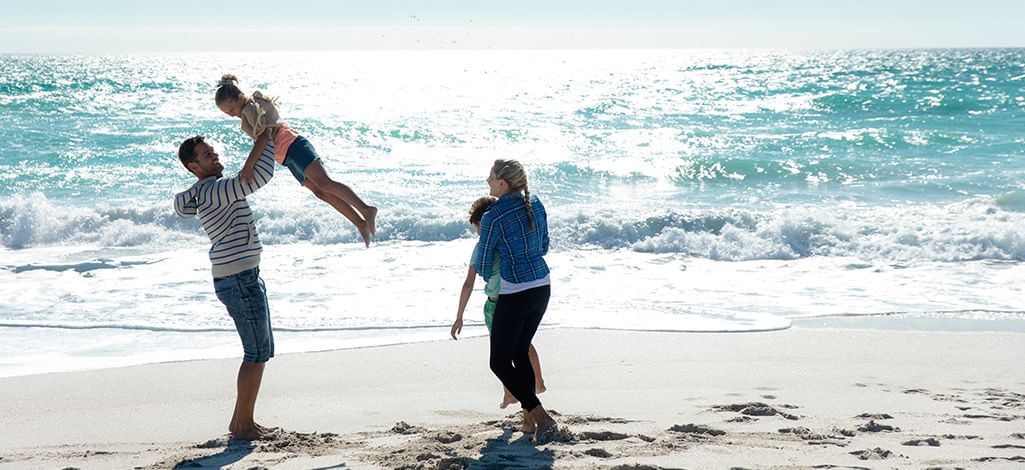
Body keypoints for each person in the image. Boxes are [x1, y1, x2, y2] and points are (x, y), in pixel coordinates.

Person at [174, 135, 277, 441]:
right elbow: (261, 176)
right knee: (255, 353)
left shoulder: (204, 190)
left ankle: (241, 421)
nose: (215, 157)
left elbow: (182, 206)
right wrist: (267, 136)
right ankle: (243, 425)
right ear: (194, 166)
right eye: (208, 156)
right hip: (239, 279)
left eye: (214, 152)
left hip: (243, 276)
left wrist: (265, 137)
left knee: (260, 351)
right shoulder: (217, 189)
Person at [214, 74, 377, 247]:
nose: (232, 115)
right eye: (227, 113)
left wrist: (249, 166)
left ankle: (366, 210)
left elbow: (264, 137)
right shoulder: (249, 109)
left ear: (240, 98)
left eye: (231, 110)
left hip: (293, 146)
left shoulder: (249, 109)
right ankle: (360, 223)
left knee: (325, 183)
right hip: (286, 156)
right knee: (320, 191)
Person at [476, 159, 558, 442]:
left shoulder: (492, 216)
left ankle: (542, 417)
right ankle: (530, 419)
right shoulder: (535, 202)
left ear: (502, 182)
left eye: (491, 175)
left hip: (515, 292)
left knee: (498, 362)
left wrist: (495, 278)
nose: (487, 180)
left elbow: (484, 263)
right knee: (519, 351)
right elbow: (545, 244)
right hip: (542, 287)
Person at [451, 195, 547, 409]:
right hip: (523, 296)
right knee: (522, 346)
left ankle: (510, 393)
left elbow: (468, 283)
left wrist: (459, 316)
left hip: (497, 305)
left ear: (481, 223)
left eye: (477, 227)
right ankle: (538, 382)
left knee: (501, 357)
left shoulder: (481, 248)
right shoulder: (509, 242)